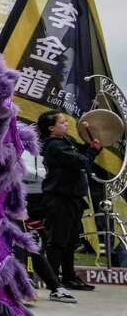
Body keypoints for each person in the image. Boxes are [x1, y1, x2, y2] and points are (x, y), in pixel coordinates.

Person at [38, 110, 98, 292]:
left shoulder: (67, 141)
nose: (66, 124)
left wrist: (92, 140)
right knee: (58, 240)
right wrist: (93, 151)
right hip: (59, 199)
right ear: (51, 128)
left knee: (71, 240)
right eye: (62, 122)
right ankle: (54, 280)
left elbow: (82, 150)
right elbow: (80, 160)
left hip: (72, 198)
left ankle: (69, 277)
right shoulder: (54, 145)